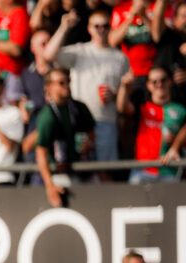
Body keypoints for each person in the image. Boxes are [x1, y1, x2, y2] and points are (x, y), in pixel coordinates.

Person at [45, 9, 130, 161]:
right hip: (80, 122)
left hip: (106, 120)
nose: (101, 30)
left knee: (105, 169)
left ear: (110, 27)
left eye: (105, 26)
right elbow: (48, 55)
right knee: (81, 168)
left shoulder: (121, 58)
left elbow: (127, 93)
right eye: (96, 26)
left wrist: (115, 94)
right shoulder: (80, 51)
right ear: (89, 29)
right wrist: (64, 27)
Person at [34, 67, 95, 208]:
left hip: (85, 171)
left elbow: (92, 135)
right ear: (49, 87)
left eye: (68, 81)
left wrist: (89, 143)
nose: (66, 85)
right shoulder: (47, 116)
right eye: (61, 83)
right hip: (61, 174)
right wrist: (50, 185)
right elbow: (41, 152)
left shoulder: (79, 108)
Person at [119, 66, 186, 183]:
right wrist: (124, 86)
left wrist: (176, 144)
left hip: (170, 171)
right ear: (148, 85)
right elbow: (122, 107)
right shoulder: (143, 108)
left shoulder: (181, 109)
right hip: (142, 170)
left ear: (170, 81)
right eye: (154, 82)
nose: (159, 84)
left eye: (163, 80)